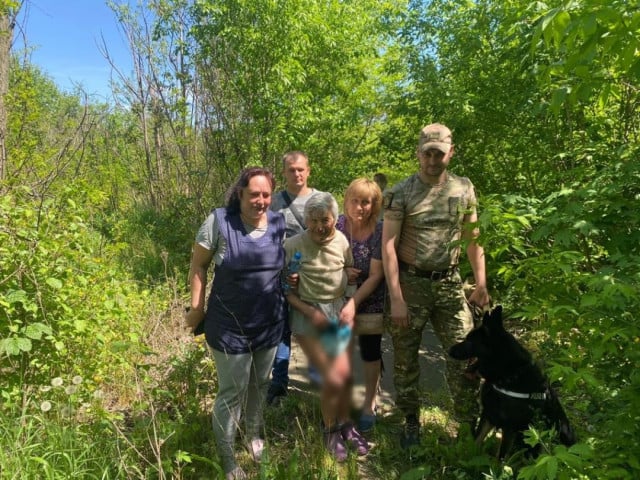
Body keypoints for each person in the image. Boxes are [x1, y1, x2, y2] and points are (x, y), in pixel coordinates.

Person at [381, 123, 490, 449]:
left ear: (450, 153)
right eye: (427, 153)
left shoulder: (463, 188)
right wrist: (397, 298)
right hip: (411, 284)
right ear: (418, 153)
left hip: (450, 284)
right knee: (405, 359)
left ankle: (467, 427)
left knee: (465, 355)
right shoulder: (400, 192)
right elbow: (388, 246)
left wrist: (481, 282)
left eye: (438, 153)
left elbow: (473, 238)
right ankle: (411, 422)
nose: (432, 159)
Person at [185, 167, 287, 480]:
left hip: (269, 323)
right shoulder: (219, 221)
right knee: (232, 391)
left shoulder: (280, 223)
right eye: (254, 194)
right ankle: (228, 460)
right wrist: (195, 308)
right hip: (229, 326)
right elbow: (198, 265)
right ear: (240, 193)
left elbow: (291, 261)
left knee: (260, 384)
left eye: (266, 194)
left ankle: (254, 436)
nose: (260, 200)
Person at [284, 192, 369, 461]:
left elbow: (351, 271)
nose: (321, 226)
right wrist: (310, 311)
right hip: (308, 314)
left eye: (326, 220)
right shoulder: (294, 245)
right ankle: (330, 429)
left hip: (338, 311)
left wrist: (348, 305)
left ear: (335, 219)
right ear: (307, 220)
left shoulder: (342, 240)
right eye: (314, 220)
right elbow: (286, 290)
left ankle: (345, 425)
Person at [267, 151, 325, 405]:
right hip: (283, 279)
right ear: (284, 173)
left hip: (316, 279)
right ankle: (279, 385)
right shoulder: (274, 203)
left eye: (301, 169)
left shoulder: (322, 200)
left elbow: (331, 236)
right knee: (283, 332)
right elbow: (267, 240)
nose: (297, 174)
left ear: (309, 170)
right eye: (291, 170)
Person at [336, 178, 385, 433]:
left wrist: (354, 303)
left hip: (371, 299)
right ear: (346, 201)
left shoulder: (380, 230)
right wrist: (343, 270)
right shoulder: (337, 225)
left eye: (365, 202)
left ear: (374, 205)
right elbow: (326, 258)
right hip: (340, 297)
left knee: (370, 352)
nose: (359, 207)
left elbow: (377, 274)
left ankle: (369, 404)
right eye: (354, 200)